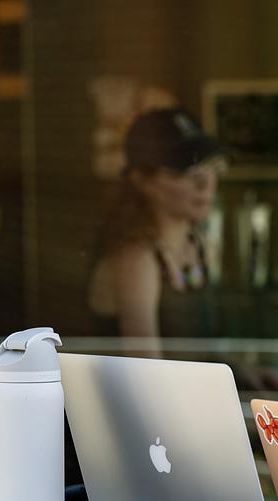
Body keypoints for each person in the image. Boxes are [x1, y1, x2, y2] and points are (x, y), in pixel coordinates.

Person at [87, 107, 225, 356]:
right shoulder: (137, 260)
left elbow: (200, 347)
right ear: (141, 179)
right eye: (185, 171)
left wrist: (241, 369)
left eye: (210, 167)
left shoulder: (197, 246)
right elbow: (149, 371)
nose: (205, 184)